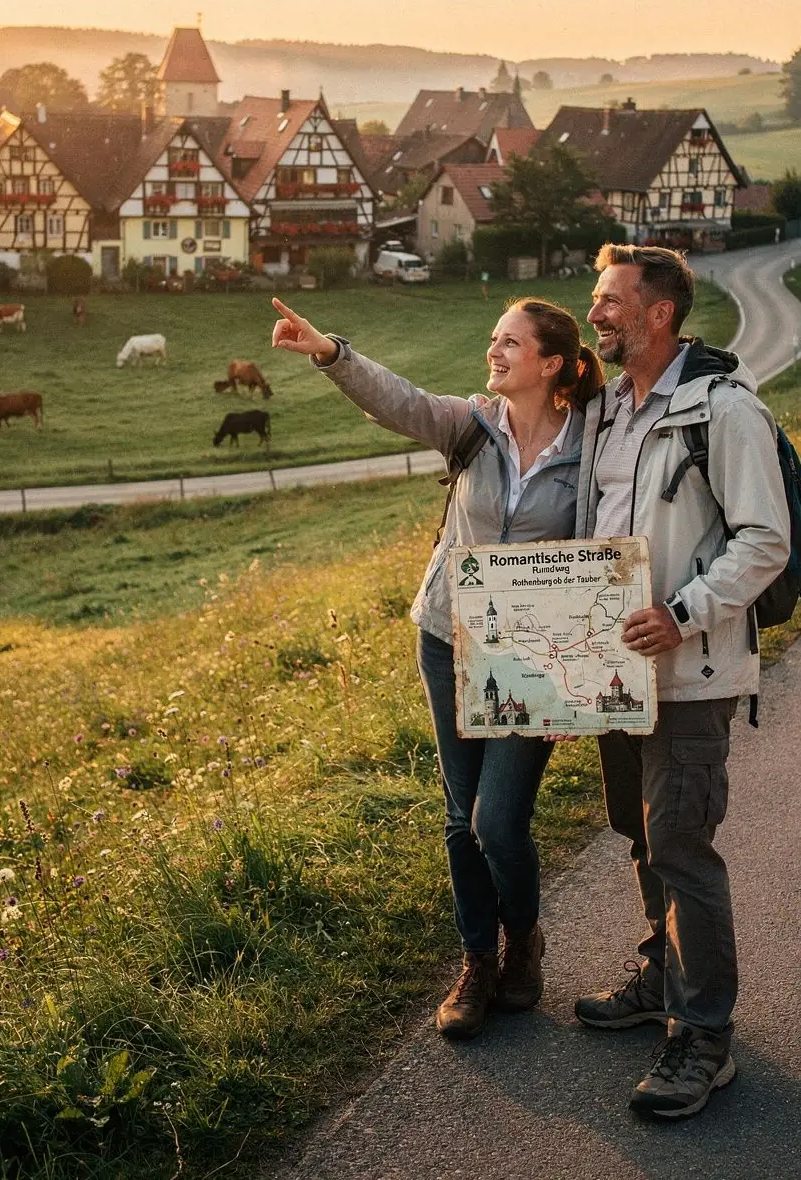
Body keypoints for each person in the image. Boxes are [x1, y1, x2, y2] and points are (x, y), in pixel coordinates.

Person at [271, 294, 603, 1039]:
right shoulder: (472, 426)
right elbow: (401, 402)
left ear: (551, 363)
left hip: (532, 658)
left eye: (510, 343)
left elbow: (601, 562)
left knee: (499, 821)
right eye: (493, 339)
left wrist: (583, 684)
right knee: (461, 819)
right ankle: (479, 960)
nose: (495, 351)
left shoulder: (594, 449)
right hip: (447, 638)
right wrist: (332, 353)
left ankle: (524, 937)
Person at [574, 243, 789, 1120]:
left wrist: (685, 611)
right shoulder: (609, 413)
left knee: (683, 848)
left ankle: (705, 1038)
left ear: (659, 312)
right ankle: (664, 977)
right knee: (639, 831)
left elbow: (765, 539)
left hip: (690, 673)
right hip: (616, 677)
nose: (596, 312)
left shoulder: (724, 409)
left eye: (610, 298)